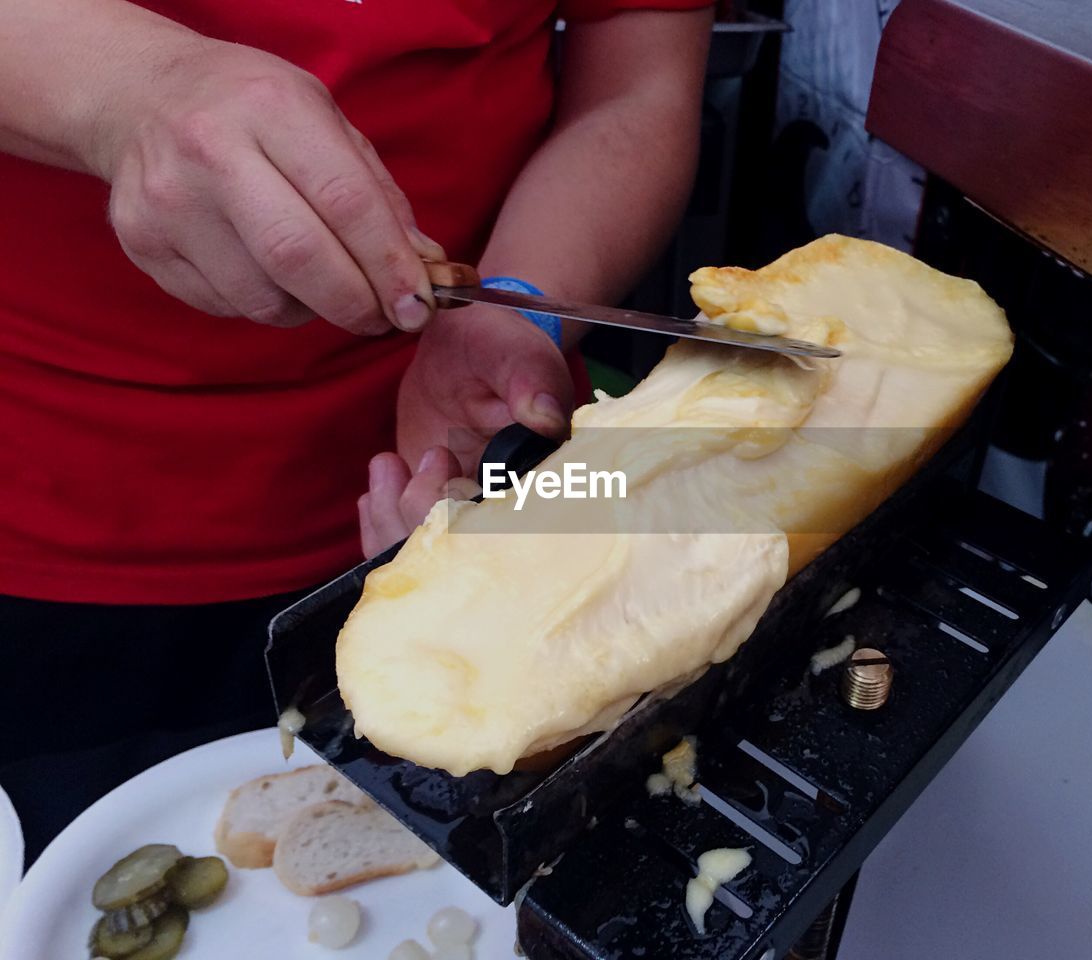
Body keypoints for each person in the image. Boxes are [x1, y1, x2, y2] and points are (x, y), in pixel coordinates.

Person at [0, 0, 713, 860]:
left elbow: (637, 86)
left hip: (468, 472)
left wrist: (519, 309)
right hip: (57, 528)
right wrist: (128, 89)